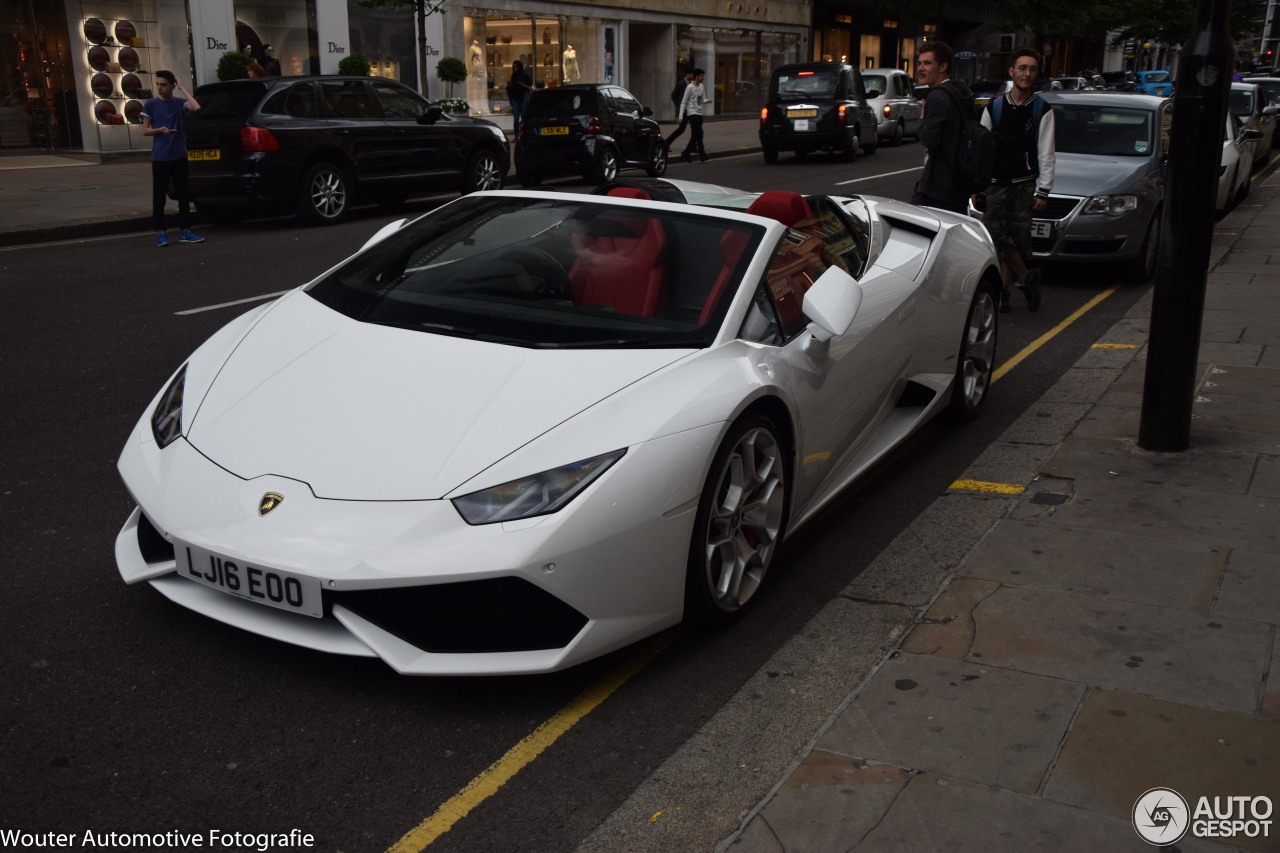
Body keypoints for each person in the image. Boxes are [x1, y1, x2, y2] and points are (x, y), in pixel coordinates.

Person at [978, 48, 1055, 313]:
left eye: (1032, 69)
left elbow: (1046, 152)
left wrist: (1044, 190)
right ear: (1011, 72)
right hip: (996, 183)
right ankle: (1027, 277)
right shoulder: (994, 107)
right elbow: (982, 149)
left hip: (1024, 184)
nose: (1027, 73)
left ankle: (1002, 292)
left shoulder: (1042, 109)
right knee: (997, 234)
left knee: (1018, 238)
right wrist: (978, 184)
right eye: (1022, 68)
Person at [141, 70, 203, 247]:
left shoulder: (179, 103)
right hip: (160, 157)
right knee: (159, 196)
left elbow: (196, 107)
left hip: (179, 155)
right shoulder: (151, 104)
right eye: (158, 84)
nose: (160, 88)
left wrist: (183, 88)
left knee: (183, 195)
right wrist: (159, 130)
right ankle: (160, 233)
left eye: (164, 85)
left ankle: (185, 231)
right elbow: (145, 131)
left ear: (172, 86)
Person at [911, 41, 974, 214]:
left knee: (914, 227)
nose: (921, 68)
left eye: (927, 63)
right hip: (959, 182)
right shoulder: (961, 92)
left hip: (938, 185)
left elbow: (930, 139)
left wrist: (923, 118)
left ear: (943, 66)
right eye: (920, 63)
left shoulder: (937, 97)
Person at [678, 67, 707, 163]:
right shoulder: (689, 87)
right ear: (696, 76)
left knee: (696, 135)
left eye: (703, 76)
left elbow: (702, 99)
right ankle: (702, 154)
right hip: (692, 113)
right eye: (702, 76)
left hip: (699, 113)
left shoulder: (701, 86)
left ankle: (686, 153)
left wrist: (707, 101)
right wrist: (681, 116)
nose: (703, 78)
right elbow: (683, 102)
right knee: (699, 133)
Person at [666, 70, 692, 148]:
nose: (692, 77)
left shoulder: (691, 84)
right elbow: (673, 95)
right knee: (681, 129)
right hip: (683, 110)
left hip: (690, 110)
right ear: (687, 74)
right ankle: (667, 142)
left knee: (695, 129)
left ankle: (693, 147)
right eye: (691, 75)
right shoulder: (681, 83)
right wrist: (678, 106)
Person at [506, 59, 532, 129]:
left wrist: (523, 85)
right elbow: (512, 88)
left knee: (523, 117)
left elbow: (530, 87)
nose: (515, 69)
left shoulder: (525, 75)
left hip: (523, 98)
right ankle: (517, 135)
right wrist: (509, 86)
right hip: (515, 99)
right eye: (513, 67)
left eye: (516, 67)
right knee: (516, 118)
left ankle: (524, 133)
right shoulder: (513, 76)